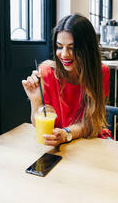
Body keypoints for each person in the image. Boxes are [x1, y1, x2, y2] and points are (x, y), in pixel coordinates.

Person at [22, 13, 111, 146]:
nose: (64, 54)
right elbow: (37, 125)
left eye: (72, 47)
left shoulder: (100, 72)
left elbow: (93, 123)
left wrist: (66, 133)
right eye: (59, 46)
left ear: (87, 49)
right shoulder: (46, 72)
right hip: (60, 145)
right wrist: (35, 100)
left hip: (91, 139)